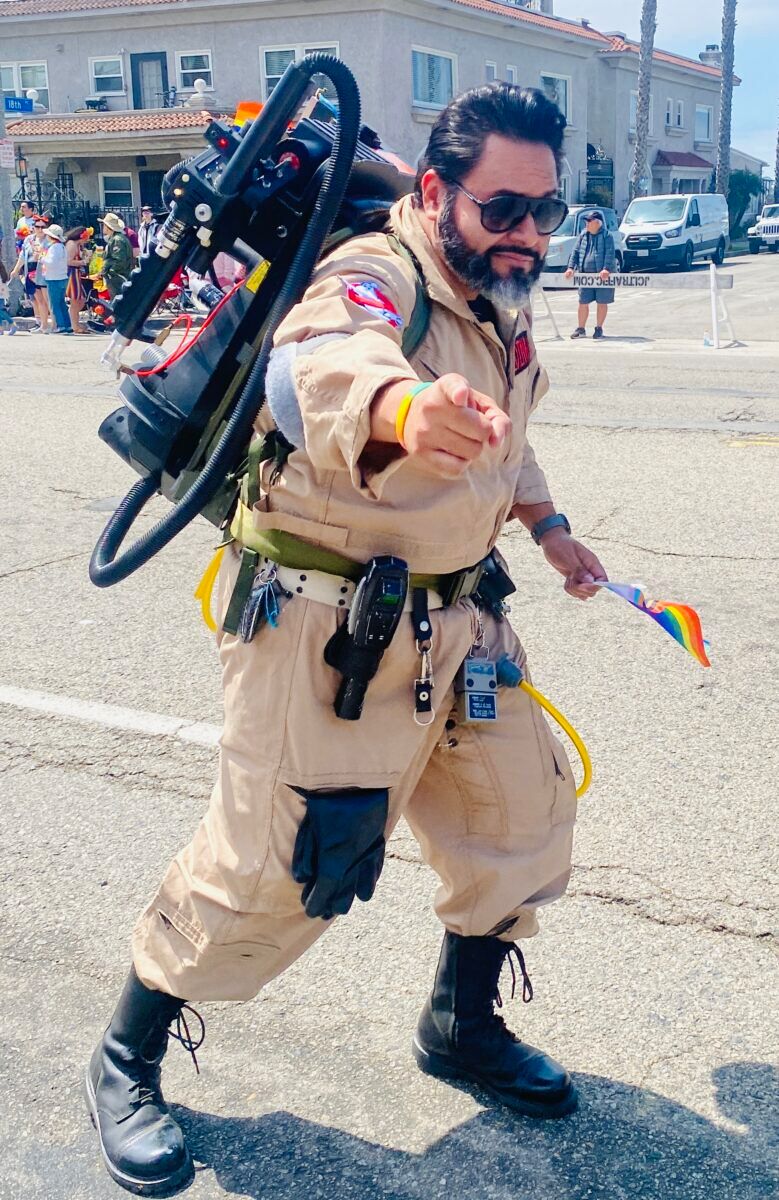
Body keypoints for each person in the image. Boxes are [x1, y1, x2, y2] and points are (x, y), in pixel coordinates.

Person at [86, 83, 609, 1195]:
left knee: (518, 819)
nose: (526, 232)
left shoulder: (493, 295)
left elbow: (505, 432)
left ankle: (460, 1025)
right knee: (271, 871)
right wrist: (400, 411)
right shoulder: (379, 271)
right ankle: (127, 1055)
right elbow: (316, 362)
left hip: (463, 620)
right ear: (437, 191)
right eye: (502, 208)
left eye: (544, 211)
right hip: (330, 631)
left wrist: (548, 526)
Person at [564, 209, 616, 339]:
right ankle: (581, 329)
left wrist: (606, 269)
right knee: (583, 302)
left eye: (589, 221)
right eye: (586, 221)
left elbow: (610, 254)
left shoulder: (607, 236)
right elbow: (575, 252)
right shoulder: (583, 235)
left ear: (598, 223)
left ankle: (599, 328)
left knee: (602, 302)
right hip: (585, 275)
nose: (586, 223)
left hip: (602, 276)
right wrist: (570, 268)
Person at [9, 215, 53, 332]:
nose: (40, 229)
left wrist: (41, 254)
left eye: (42, 227)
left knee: (46, 299)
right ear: (33, 227)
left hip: (42, 270)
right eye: (37, 226)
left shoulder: (49, 240)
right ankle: (42, 324)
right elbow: (23, 255)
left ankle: (52, 324)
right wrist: (16, 269)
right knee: (36, 299)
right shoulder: (29, 239)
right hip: (30, 269)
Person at [39, 224, 71, 333]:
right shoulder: (61, 247)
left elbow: (51, 262)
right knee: (61, 303)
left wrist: (42, 258)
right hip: (62, 277)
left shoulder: (54, 248)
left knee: (54, 304)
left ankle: (60, 325)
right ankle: (67, 324)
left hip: (54, 278)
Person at [64, 226, 91, 334]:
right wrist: (83, 262)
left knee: (81, 300)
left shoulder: (78, 245)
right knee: (75, 300)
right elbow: (68, 261)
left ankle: (73, 322)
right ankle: (75, 326)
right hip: (72, 274)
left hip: (77, 273)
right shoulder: (72, 244)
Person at [99, 213, 133, 299]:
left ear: (108, 227)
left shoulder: (117, 240)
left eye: (104, 225)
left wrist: (111, 272)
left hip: (118, 277)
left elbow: (119, 260)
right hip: (118, 276)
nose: (103, 227)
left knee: (118, 300)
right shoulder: (116, 238)